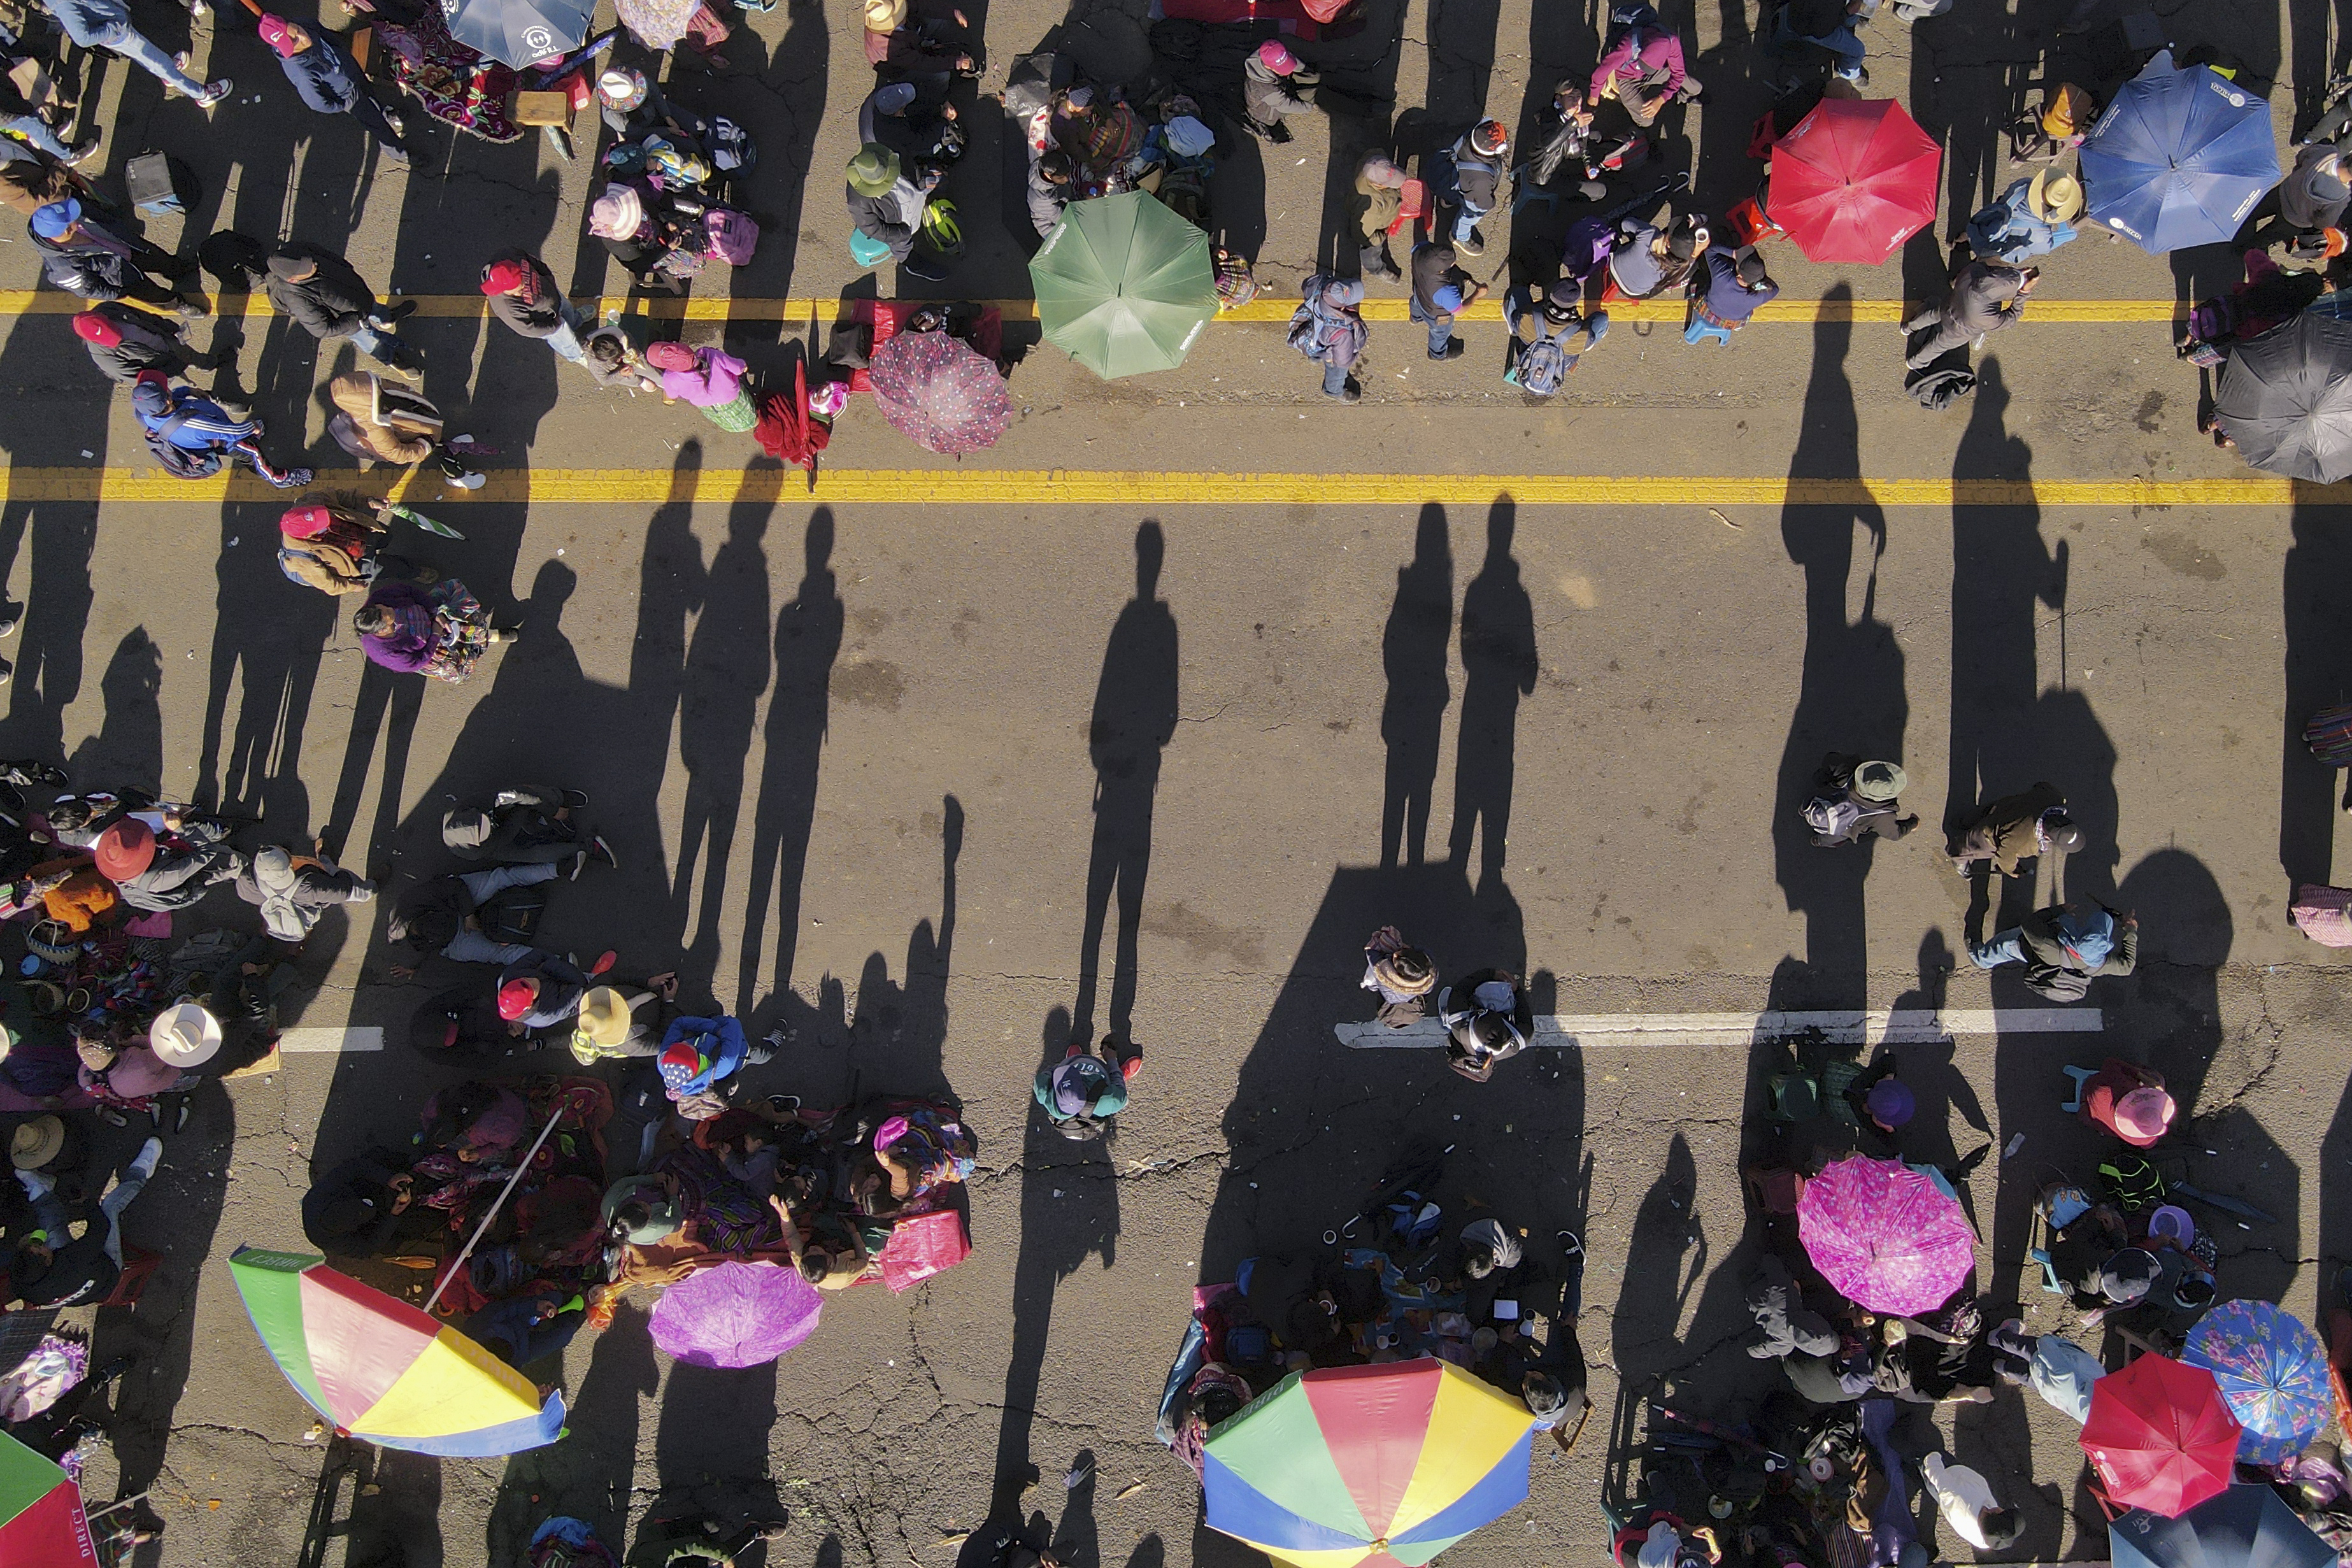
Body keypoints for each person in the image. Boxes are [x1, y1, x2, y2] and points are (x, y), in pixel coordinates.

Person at [8, 1137, 161, 1309]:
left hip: (76, 1282)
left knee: (52, 1226)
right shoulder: (75, 1260)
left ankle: (41, 1189)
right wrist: (86, 1202)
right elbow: (100, 1226)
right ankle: (139, 1175)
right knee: (109, 1208)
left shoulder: (22, 1284)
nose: (40, 1243)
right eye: (40, 1248)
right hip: (107, 1270)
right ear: (49, 1261)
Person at [257, 14, 406, 158]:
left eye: (298, 30)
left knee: (371, 93)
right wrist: (342, 105)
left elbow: (328, 36)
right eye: (294, 41)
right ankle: (401, 154)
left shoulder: (305, 23)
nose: (304, 38)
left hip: (350, 69)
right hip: (347, 95)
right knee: (377, 126)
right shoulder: (302, 73)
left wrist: (344, 54)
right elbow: (316, 103)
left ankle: (386, 114)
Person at [130, 371, 313, 487]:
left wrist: (187, 391)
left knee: (248, 446)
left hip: (202, 440)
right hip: (225, 440)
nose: (169, 388)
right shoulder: (193, 424)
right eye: (166, 389)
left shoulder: (144, 413)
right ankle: (279, 479)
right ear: (167, 400)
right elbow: (234, 433)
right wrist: (252, 427)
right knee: (254, 454)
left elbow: (173, 399)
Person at [30, 198, 204, 313]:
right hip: (122, 276)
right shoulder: (63, 268)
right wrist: (118, 293)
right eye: (72, 219)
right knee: (153, 294)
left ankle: (177, 269)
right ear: (67, 229)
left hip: (131, 246)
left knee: (160, 258)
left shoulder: (61, 215)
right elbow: (90, 290)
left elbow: (97, 212)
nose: (78, 216)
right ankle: (176, 304)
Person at [36, 0, 227, 104]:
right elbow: (82, 38)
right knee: (159, 64)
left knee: (152, 57)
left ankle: (169, 74)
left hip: (117, 18)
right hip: (120, 33)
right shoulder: (63, 4)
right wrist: (114, 29)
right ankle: (202, 95)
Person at [262, 243, 418, 371]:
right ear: (293, 280)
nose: (314, 265)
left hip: (359, 296)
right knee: (372, 343)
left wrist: (346, 268)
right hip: (352, 322)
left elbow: (325, 254)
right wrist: (353, 321)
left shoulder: (298, 252)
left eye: (310, 262)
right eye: (307, 269)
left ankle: (387, 317)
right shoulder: (297, 299)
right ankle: (391, 358)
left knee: (376, 308)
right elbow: (322, 329)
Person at [326, 371, 484, 488]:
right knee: (438, 452)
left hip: (418, 423)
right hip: (417, 437)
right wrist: (425, 445)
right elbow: (398, 454)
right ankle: (457, 476)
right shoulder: (374, 429)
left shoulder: (372, 390)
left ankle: (450, 446)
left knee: (438, 439)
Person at [353, 576, 513, 681]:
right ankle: (489, 638)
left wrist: (435, 612)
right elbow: (417, 661)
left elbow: (409, 591)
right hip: (431, 648)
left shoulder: (379, 599)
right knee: (460, 661)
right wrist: (436, 634)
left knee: (471, 624)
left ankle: (488, 635)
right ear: (382, 631)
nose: (389, 607)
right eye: (388, 613)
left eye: (384, 607)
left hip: (432, 615)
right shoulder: (386, 653)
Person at [1969, 900, 2137, 1000]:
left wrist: (2060, 910)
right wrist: (2130, 932)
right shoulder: (2100, 965)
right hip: (2046, 963)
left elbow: (2030, 924)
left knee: (2005, 945)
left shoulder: (2047, 944)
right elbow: (2128, 966)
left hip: (2026, 947)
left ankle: (1978, 958)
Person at [92, 815, 239, 912]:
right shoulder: (165, 876)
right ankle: (243, 871)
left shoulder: (117, 868)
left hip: (165, 884)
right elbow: (207, 852)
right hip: (183, 880)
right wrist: (180, 829)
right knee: (232, 861)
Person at [1904, 259, 2034, 368]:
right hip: (1959, 332)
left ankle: (1909, 328)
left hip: (1949, 307)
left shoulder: (1973, 272)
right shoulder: (1989, 319)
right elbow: (2011, 318)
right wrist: (2023, 294)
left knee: (1931, 315)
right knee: (1938, 345)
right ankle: (1914, 363)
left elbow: (1988, 271)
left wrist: (2016, 275)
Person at [846, 142, 948, 282]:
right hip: (900, 223)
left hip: (915, 189)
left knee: (939, 181)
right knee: (902, 248)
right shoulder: (857, 202)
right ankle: (913, 265)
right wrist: (902, 233)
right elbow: (873, 229)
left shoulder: (888, 154)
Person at [302, 1148, 432, 1255]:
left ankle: (412, 1163)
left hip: (360, 1189)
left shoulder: (320, 1195)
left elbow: (355, 1166)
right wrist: (393, 1217)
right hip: (375, 1222)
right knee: (390, 1244)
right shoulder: (334, 1243)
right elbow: (368, 1248)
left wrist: (388, 1178)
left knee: (376, 1156)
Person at [234, 843, 375, 943]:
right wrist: (332, 872)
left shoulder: (245, 882)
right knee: (363, 894)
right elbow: (343, 890)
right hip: (311, 902)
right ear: (290, 865)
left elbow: (246, 896)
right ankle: (373, 885)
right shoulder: (311, 886)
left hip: (286, 914)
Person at [443, 787, 607, 867]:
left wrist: (552, 810)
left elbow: (511, 795)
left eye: (484, 820)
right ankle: (584, 848)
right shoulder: (475, 852)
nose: (489, 822)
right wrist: (522, 817)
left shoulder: (466, 806)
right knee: (530, 855)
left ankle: (558, 798)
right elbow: (507, 834)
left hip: (497, 809)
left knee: (521, 794)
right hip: (498, 840)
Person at [1590, 3, 1692, 126]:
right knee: (1646, 121)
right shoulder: (1627, 47)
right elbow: (1602, 71)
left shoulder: (1672, 42)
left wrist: (1662, 98)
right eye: (1641, 63)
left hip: (1651, 74)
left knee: (1695, 87)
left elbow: (1679, 74)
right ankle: (1638, 122)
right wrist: (1594, 95)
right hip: (1626, 77)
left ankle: (1685, 96)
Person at [1947, 781, 2079, 876]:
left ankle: (1962, 822)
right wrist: (2011, 870)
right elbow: (2005, 856)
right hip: (1988, 835)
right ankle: (1959, 860)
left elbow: (2041, 785)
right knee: (1966, 846)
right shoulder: (2026, 843)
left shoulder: (2054, 798)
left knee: (1979, 815)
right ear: (2049, 837)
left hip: (2003, 807)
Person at [481, 250, 587, 362]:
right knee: (566, 342)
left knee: (568, 310)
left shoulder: (510, 255)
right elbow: (528, 329)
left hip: (554, 297)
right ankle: (577, 356)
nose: (518, 294)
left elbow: (535, 262)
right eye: (514, 293)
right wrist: (553, 327)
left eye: (521, 289)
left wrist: (549, 281)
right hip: (547, 322)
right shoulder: (506, 307)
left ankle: (576, 321)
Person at [277, 494, 394, 595]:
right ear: (307, 536)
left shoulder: (310, 502)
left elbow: (340, 496)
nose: (326, 519)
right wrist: (351, 586)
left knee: (386, 536)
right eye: (319, 526)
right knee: (391, 568)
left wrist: (368, 501)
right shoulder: (301, 560)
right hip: (356, 563)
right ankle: (410, 568)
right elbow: (328, 584)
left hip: (360, 532)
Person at [1987, 1318, 2100, 1422]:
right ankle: (2002, 1367)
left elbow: (2047, 1349)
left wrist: (2049, 1341)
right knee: (2030, 1378)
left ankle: (1998, 1337)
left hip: (2056, 1362)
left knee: (2025, 1348)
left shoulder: (2084, 1379)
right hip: (2053, 1395)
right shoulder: (2097, 1423)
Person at [71, 302, 209, 385]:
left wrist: (168, 326)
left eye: (114, 330)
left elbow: (143, 316)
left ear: (104, 317)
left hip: (168, 342)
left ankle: (209, 363)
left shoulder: (108, 308)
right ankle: (215, 399)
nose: (118, 337)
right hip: (163, 370)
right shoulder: (106, 360)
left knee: (193, 356)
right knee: (186, 389)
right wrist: (171, 371)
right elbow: (142, 378)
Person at [1506, 283, 1607, 395]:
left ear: (1552, 296)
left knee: (1519, 292)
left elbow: (1517, 315)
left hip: (1560, 357)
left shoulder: (1526, 319)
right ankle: (1515, 330)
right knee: (1602, 320)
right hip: (1560, 354)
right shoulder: (1582, 336)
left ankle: (1514, 330)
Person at [1964, 169, 2083, 264]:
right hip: (1998, 254)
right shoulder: (2043, 239)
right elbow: (2042, 248)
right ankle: (1960, 278)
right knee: (2071, 234)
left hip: (1981, 227)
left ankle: (1961, 238)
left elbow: (2006, 196)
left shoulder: (2024, 185)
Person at [1436, 967, 1533, 1081]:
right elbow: (1524, 1016)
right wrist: (1516, 991)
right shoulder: (1520, 1039)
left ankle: (1447, 1020)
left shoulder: (1458, 1021)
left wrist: (1490, 974)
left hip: (1460, 1025)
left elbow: (1461, 990)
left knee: (1455, 1012)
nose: (1489, 1010)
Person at [1802, 753, 1918, 844]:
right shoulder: (1883, 816)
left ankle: (1803, 811)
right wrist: (1912, 823)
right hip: (1840, 828)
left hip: (1819, 799)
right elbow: (1894, 834)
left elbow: (1830, 759)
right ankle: (1818, 841)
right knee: (1837, 836)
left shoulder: (1847, 769)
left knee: (1812, 799)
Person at [646, 339, 757, 433]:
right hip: (730, 395)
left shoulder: (670, 379)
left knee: (723, 417)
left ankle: (740, 426)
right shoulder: (711, 355)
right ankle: (755, 423)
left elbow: (671, 397)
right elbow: (739, 369)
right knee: (746, 413)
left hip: (706, 404)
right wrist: (744, 366)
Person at [1034, 1035, 1134, 1137]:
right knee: (1120, 1090)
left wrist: (1068, 1062)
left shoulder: (1044, 1091)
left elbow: (1047, 1074)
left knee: (1073, 1061)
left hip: (1072, 1061)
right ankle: (1120, 1074)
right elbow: (1121, 1097)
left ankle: (1075, 1058)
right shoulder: (1111, 1100)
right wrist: (1112, 1061)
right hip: (1102, 1070)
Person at [1292, 273, 1368, 403]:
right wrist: (1352, 357)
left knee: (1319, 346)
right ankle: (1333, 390)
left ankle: (1315, 356)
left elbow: (1308, 284)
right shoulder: (1342, 333)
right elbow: (1343, 361)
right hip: (1331, 350)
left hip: (1313, 335)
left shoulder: (1320, 286)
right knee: (1337, 371)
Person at [464, 1291, 587, 1370]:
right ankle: (576, 1313)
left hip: (517, 1319)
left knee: (556, 1298)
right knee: (565, 1335)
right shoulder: (495, 1371)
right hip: (524, 1351)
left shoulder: (480, 1326)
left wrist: (536, 1305)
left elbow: (507, 1307)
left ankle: (571, 1301)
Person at [1920, 1453, 2018, 1550]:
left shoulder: (1959, 1497)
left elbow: (1935, 1472)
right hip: (1959, 1474)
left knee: (1915, 1449)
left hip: (1944, 1469)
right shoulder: (1988, 1538)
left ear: (1991, 1512)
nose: (2003, 1509)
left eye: (2003, 1512)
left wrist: (1933, 1454)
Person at [1526, 81, 1604, 197]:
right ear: (1558, 99)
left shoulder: (1578, 115)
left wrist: (1588, 163)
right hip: (1548, 177)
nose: (1576, 102)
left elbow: (1583, 145)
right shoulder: (1549, 118)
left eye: (1578, 97)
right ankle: (1568, 205)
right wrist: (1574, 124)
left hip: (1566, 161)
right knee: (1600, 191)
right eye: (1570, 97)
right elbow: (1549, 147)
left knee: (1596, 137)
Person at [1411, 240, 1486, 361]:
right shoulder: (1446, 292)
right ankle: (1437, 354)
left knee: (1415, 302)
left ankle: (1415, 318)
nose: (1454, 264)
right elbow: (1459, 311)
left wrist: (1459, 275)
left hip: (1420, 294)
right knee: (1439, 334)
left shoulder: (1420, 253)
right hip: (1437, 316)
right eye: (1450, 265)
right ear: (1441, 271)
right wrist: (1477, 294)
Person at [1442, 120, 1508, 255]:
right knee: (1469, 217)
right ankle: (1459, 237)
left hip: (1457, 179)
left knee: (1457, 191)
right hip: (1473, 196)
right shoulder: (1482, 180)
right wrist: (1490, 203)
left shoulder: (1470, 136)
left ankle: (1449, 200)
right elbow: (1483, 204)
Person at [2076, 1057, 2175, 1146]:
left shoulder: (2121, 1086)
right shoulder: (2144, 1140)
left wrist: (2143, 1077)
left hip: (2092, 1087)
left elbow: (2110, 1062)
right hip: (2090, 1114)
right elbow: (2149, 1144)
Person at [496, 948, 594, 1037]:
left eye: (526, 979)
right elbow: (580, 987)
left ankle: (568, 965)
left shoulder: (508, 976)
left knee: (553, 965)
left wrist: (558, 964)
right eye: (533, 988)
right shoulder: (546, 1015)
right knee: (586, 993)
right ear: (530, 1005)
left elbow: (539, 954)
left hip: (549, 974)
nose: (533, 980)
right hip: (564, 996)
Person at [1607, 213, 1706, 300]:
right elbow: (1691, 259)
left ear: (1668, 243)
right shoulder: (1682, 267)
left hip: (1614, 265)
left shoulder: (1650, 235)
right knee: (1694, 267)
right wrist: (1696, 253)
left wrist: (1643, 231)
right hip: (1633, 293)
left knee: (1638, 239)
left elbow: (1625, 223)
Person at [1351, 152, 1416, 280]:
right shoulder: (1371, 210)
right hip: (1374, 229)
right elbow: (1362, 236)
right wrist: (1380, 236)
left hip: (1380, 210)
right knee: (1371, 250)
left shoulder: (1373, 162)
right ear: (1377, 185)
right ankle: (1377, 270)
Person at [1361, 925, 1436, 1027]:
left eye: (1395, 959)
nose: (1395, 955)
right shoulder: (1430, 979)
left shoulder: (1383, 972)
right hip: (1404, 995)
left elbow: (1371, 952)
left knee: (1373, 985)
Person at [1242, 39, 1315, 143]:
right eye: (1280, 68)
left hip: (1274, 94)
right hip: (1267, 112)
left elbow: (1293, 60)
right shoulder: (1264, 89)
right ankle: (1271, 124)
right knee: (1280, 112)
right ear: (1267, 67)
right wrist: (1307, 107)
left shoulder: (1271, 53)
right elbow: (1286, 105)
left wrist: (1305, 70)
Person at [1693, 246, 1777, 335]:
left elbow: (1710, 250)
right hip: (1734, 324)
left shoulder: (1722, 276)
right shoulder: (1758, 297)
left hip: (1707, 311)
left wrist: (1734, 254)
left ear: (1740, 274)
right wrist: (1759, 276)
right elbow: (1775, 289)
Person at [583, 320, 664, 393]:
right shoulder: (594, 364)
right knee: (632, 380)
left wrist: (634, 352)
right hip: (617, 371)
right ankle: (640, 381)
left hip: (632, 357)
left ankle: (664, 382)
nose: (619, 359)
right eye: (616, 358)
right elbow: (605, 381)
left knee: (652, 372)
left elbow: (630, 339)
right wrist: (620, 374)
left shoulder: (619, 335)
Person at [1027, 148, 1071, 238]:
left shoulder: (1054, 167)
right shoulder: (1041, 200)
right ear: (1048, 175)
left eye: (1068, 174)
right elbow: (1063, 220)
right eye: (1061, 177)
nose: (1066, 179)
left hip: (1064, 206)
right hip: (1052, 228)